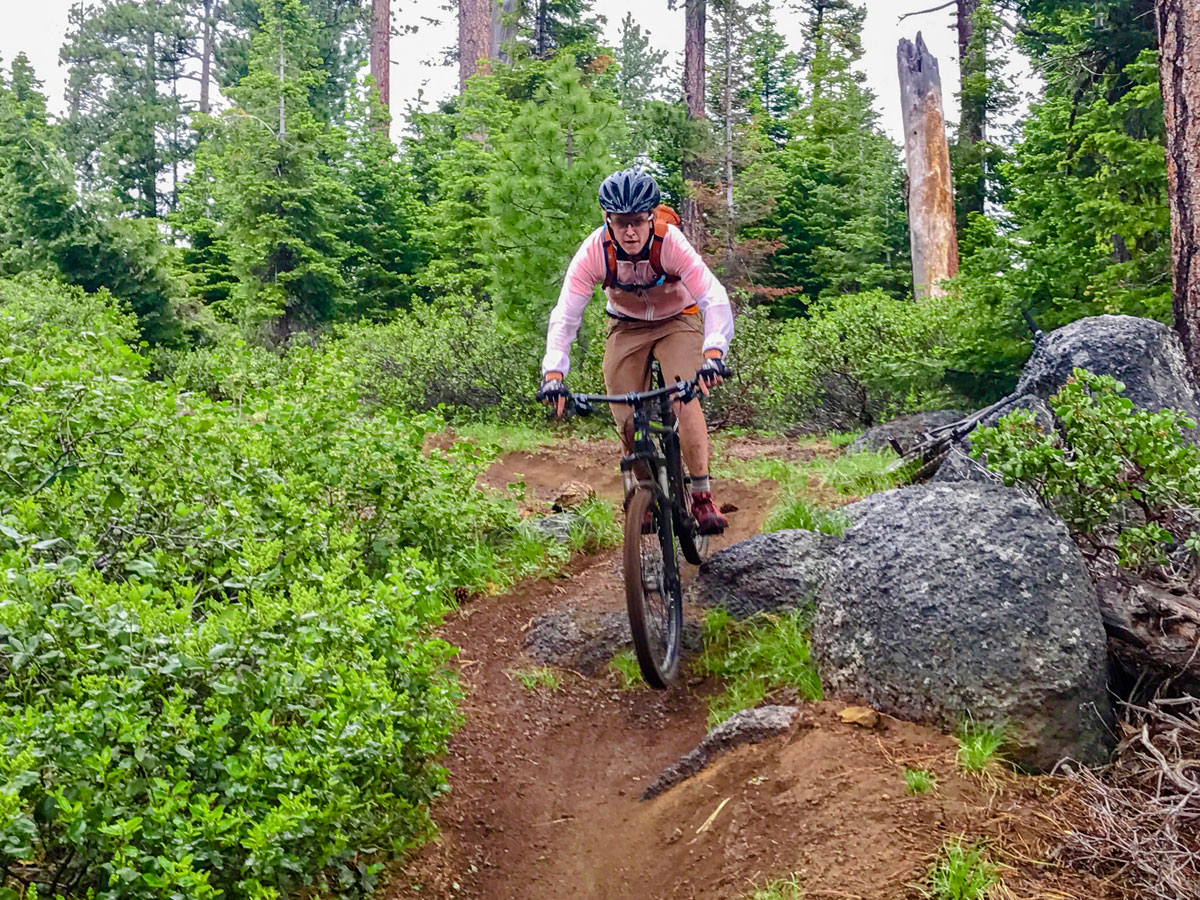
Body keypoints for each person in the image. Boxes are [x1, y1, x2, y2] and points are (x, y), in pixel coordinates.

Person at [535, 168, 734, 534]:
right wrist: (553, 374)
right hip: (625, 325)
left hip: (678, 320)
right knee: (624, 409)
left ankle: (703, 497)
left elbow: (712, 296)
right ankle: (642, 489)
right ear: (607, 219)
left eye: (638, 222)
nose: (630, 232)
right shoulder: (594, 251)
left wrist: (714, 353)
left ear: (651, 217)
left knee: (683, 396)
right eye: (621, 222)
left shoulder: (670, 242)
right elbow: (565, 315)